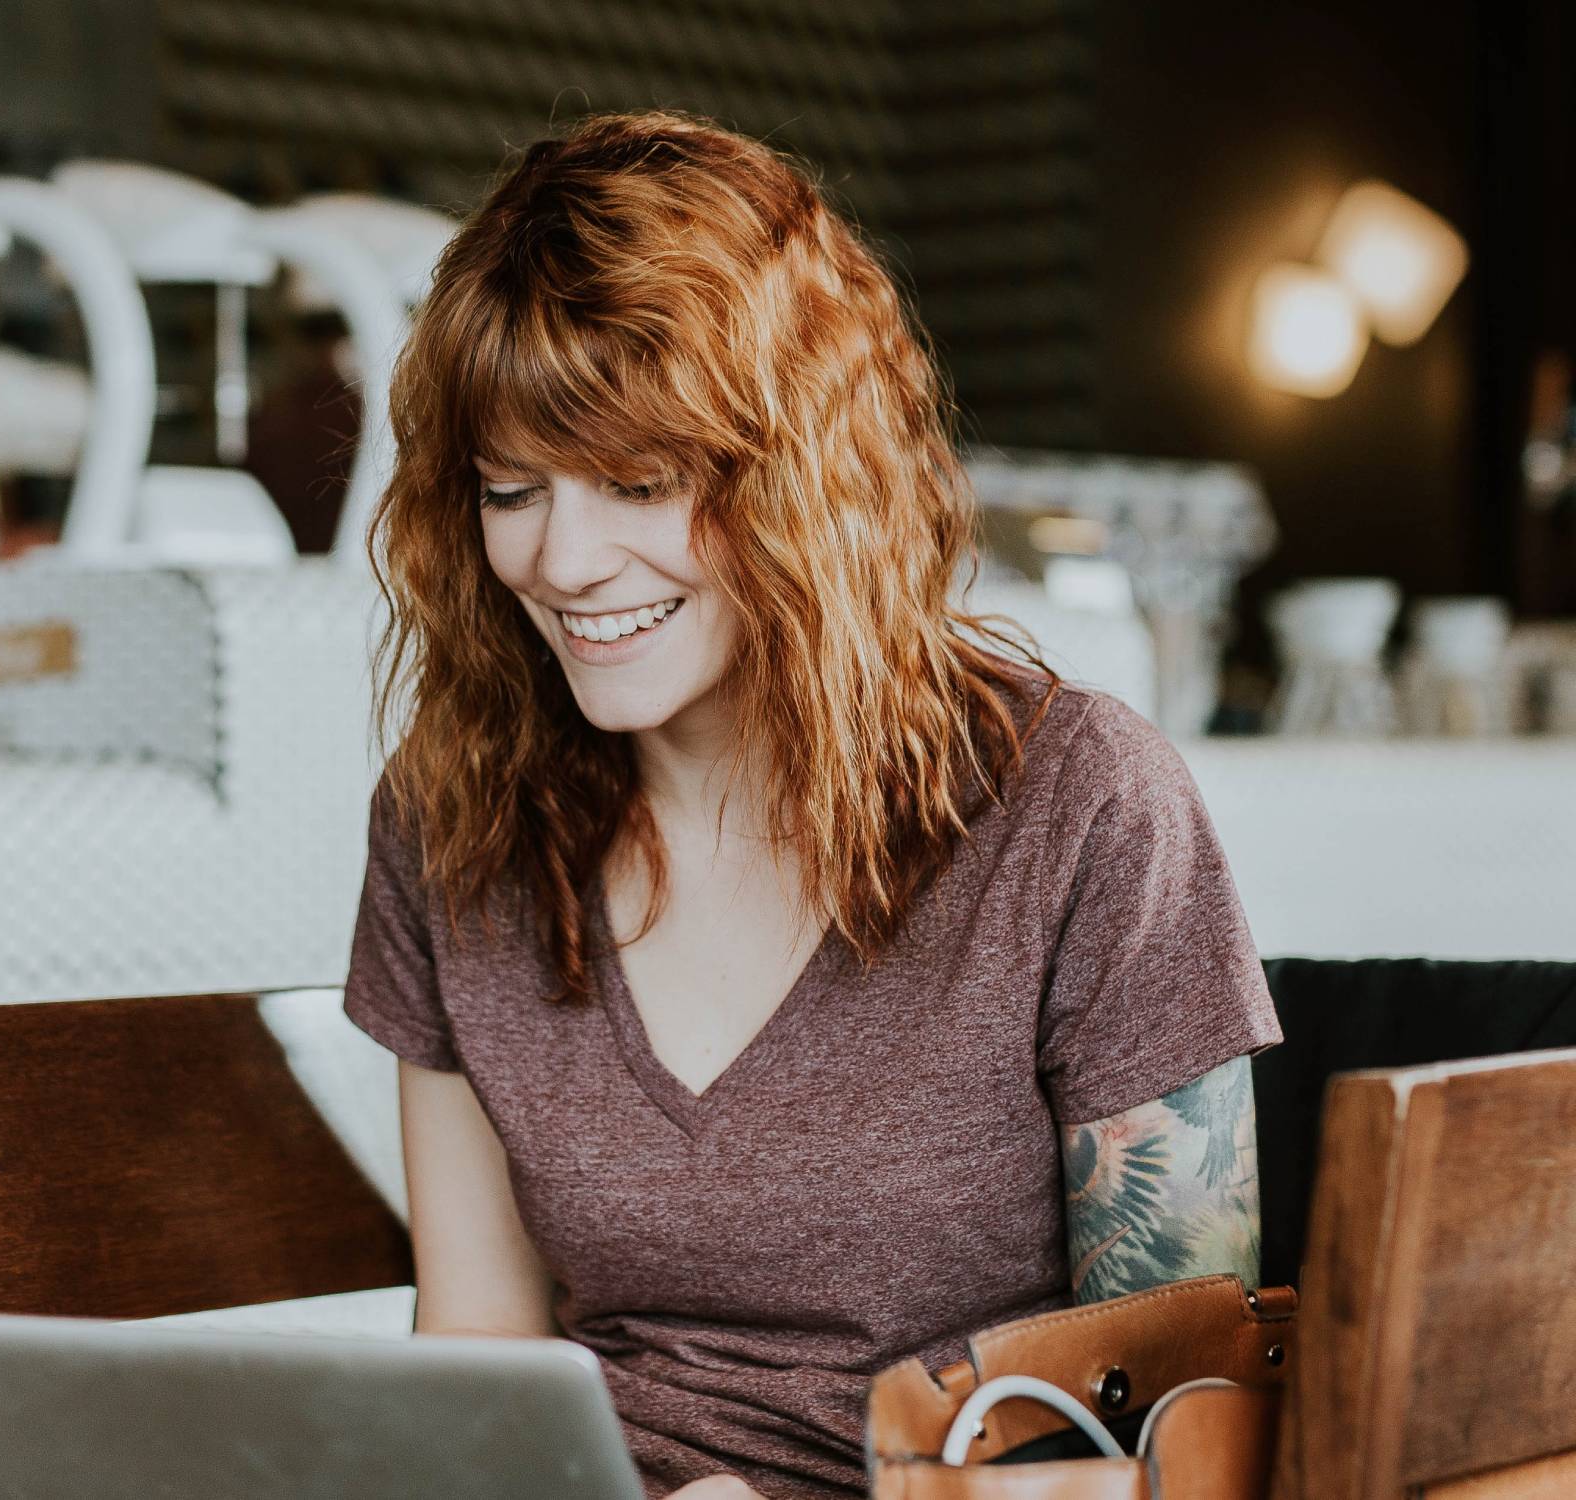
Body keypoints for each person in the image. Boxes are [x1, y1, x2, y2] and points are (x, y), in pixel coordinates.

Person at [342, 109, 1282, 1500]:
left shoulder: (1080, 808)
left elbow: (1197, 1438)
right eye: (511, 489)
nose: (563, 559)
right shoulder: (454, 819)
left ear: (803, 478)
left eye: (642, 482)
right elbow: (476, 1362)